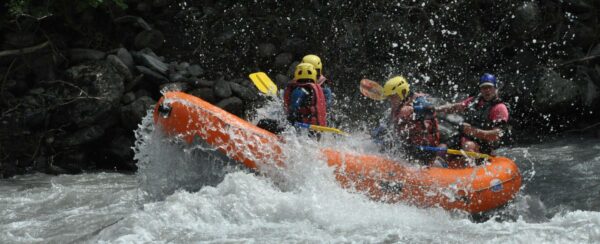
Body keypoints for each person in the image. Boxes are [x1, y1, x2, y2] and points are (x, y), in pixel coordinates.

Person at [435, 73, 509, 156]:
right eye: (484, 87)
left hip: (484, 144)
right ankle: (440, 164)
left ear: (495, 88)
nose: (487, 90)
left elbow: (496, 135)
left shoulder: (500, 108)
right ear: (480, 89)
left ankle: (469, 166)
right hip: (465, 137)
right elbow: (455, 107)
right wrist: (435, 109)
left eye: (489, 87)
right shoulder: (474, 101)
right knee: (441, 148)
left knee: (468, 146)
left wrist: (473, 131)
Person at [380, 76, 440, 165]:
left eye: (393, 96)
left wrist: (413, 109)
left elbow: (430, 109)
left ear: (403, 92)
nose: (391, 100)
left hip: (426, 151)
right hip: (407, 150)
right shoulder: (396, 108)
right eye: (389, 97)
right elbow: (386, 127)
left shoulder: (419, 100)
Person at [283, 63, 328, 128]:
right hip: (315, 128)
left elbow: (294, 107)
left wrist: (288, 120)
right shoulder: (317, 89)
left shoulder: (299, 90)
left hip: (301, 128)